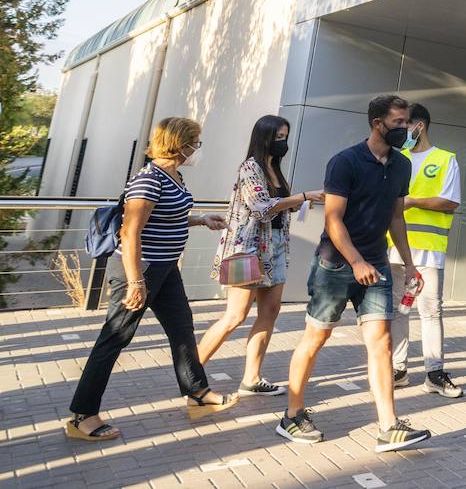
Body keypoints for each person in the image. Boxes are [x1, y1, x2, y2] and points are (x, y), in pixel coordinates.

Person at [276, 95, 431, 453]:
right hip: (335, 264)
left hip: (376, 264)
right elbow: (332, 219)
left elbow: (396, 217)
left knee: (382, 343)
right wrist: (356, 262)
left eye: (407, 122)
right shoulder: (345, 162)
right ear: (377, 123)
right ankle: (292, 415)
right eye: (398, 123)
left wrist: (409, 264)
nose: (405, 130)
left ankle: (389, 426)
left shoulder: (402, 166)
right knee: (315, 340)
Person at [67, 117, 233, 441]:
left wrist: (200, 220)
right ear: (179, 143)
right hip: (139, 270)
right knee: (114, 338)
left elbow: (166, 215)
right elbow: (130, 232)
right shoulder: (148, 179)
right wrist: (135, 282)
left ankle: (197, 394)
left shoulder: (174, 175)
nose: (198, 148)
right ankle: (81, 416)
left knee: (182, 329)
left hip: (165, 269)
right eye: (195, 142)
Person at [197, 116, 324, 395]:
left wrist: (301, 202)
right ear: (264, 137)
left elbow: (279, 207)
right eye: (279, 137)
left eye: (285, 137)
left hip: (276, 247)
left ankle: (252, 379)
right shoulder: (250, 168)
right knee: (235, 316)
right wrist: (303, 196)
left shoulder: (273, 168)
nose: (284, 143)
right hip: (248, 249)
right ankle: (192, 375)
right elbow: (260, 208)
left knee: (270, 312)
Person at [387, 102, 464, 398]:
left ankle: (434, 372)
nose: (401, 131)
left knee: (430, 311)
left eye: (405, 125)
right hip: (394, 248)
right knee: (398, 310)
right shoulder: (396, 159)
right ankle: (398, 369)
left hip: (429, 251)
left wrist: (413, 201)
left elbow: (451, 201)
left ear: (419, 126)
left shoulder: (445, 160)